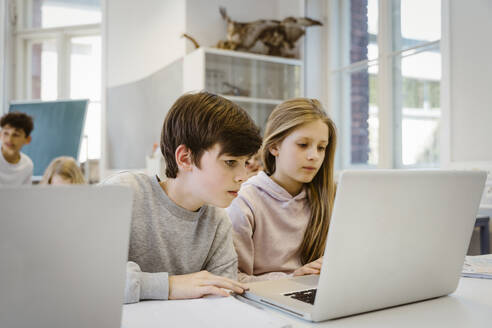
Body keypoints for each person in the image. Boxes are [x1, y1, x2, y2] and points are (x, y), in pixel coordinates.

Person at [102, 92, 262, 303]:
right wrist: (170, 286)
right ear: (185, 158)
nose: (243, 176)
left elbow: (222, 295)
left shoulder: (217, 221)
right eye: (231, 162)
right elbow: (85, 278)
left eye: (246, 163)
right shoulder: (123, 193)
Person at [226, 98, 337, 282]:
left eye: (321, 147)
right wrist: (293, 278)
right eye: (302, 145)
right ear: (274, 146)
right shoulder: (244, 201)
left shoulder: (328, 199)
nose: (314, 156)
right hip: (262, 303)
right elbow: (233, 279)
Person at [0, 112, 34, 186]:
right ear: (0, 134)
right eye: (6, 133)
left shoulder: (27, 165)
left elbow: (25, 194)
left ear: (27, 139)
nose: (9, 139)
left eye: (16, 135)